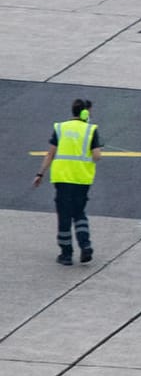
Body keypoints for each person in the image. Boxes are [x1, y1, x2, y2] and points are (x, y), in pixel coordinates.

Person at [32, 98, 102, 265]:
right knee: (79, 213)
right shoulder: (91, 130)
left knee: (64, 215)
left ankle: (66, 254)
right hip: (82, 179)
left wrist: (40, 174)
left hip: (62, 178)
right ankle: (85, 246)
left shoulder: (61, 128)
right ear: (85, 112)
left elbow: (50, 154)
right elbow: (97, 156)